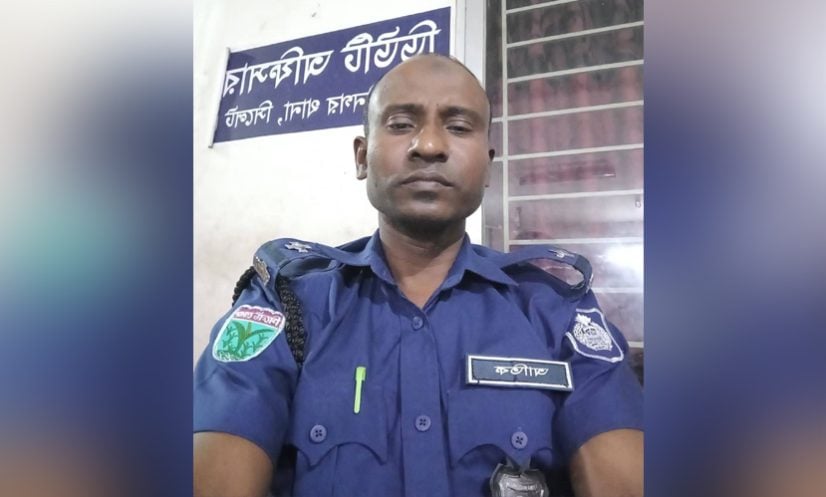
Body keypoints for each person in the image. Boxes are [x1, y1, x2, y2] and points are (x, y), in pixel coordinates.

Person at [194, 53, 643, 497]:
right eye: (401, 124)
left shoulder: (555, 312)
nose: (429, 145)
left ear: (487, 165)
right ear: (362, 157)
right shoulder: (287, 302)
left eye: (459, 127)